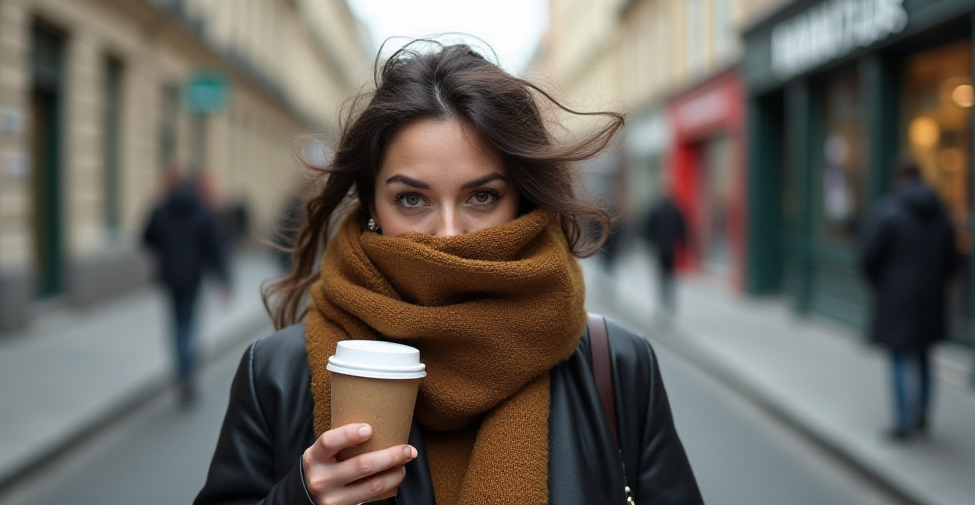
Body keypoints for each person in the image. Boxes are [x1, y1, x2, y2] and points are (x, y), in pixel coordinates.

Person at [194, 42, 702, 505]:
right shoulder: (277, 374)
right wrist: (299, 498)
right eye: (412, 199)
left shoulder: (616, 367)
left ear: (522, 199)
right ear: (371, 202)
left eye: (482, 196)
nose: (449, 235)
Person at [860, 159, 959, 440]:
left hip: (896, 298)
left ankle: (903, 423)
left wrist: (884, 284)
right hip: (931, 297)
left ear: (898, 179)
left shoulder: (888, 210)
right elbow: (953, 260)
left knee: (900, 358)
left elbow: (869, 257)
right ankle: (922, 417)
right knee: (925, 357)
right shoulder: (941, 212)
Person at [142, 176, 231, 404]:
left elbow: (147, 238)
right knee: (189, 326)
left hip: (170, 277)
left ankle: (182, 374)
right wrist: (224, 281)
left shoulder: (161, 211)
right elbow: (214, 248)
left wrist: (166, 249)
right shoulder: (201, 213)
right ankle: (188, 373)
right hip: (193, 278)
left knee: (177, 326)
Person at [643, 194, 688, 323]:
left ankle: (661, 307)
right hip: (671, 249)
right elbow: (683, 230)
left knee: (660, 279)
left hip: (658, 250)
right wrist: (683, 246)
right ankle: (671, 306)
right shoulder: (676, 211)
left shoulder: (656, 210)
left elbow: (648, 229)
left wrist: (649, 244)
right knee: (670, 278)